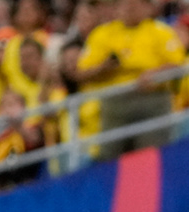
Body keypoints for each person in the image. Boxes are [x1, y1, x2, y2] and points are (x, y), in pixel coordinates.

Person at [76, 0, 183, 155]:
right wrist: (103, 68)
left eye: (136, 4)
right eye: (124, 4)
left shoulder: (160, 31)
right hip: (114, 102)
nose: (129, 8)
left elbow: (178, 65)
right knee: (109, 155)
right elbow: (81, 73)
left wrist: (155, 74)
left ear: (147, 7)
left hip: (151, 98)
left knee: (150, 155)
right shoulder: (102, 33)